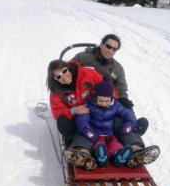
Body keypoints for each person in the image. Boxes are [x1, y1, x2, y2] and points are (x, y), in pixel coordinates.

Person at [72, 34, 159, 168]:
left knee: (122, 119)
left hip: (107, 102)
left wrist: (124, 101)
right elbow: (67, 74)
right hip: (84, 99)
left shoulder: (117, 68)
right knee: (83, 123)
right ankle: (81, 152)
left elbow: (122, 88)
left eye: (114, 49)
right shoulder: (83, 58)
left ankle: (135, 151)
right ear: (101, 44)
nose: (110, 51)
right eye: (108, 46)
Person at [47, 59, 103, 170]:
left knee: (117, 118)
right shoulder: (57, 92)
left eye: (64, 71)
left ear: (68, 67)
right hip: (79, 117)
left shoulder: (87, 74)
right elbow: (57, 112)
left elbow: (106, 87)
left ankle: (134, 147)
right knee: (81, 127)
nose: (63, 76)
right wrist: (73, 111)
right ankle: (80, 152)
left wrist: (112, 102)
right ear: (55, 80)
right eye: (58, 77)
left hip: (99, 110)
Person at [76, 79, 135, 168]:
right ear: (95, 97)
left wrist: (130, 123)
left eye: (107, 101)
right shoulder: (88, 105)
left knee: (115, 144)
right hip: (96, 134)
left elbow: (127, 113)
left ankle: (118, 156)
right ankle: (101, 157)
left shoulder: (115, 105)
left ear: (111, 98)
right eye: (101, 101)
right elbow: (82, 118)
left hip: (110, 134)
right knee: (99, 145)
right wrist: (86, 129)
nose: (104, 104)